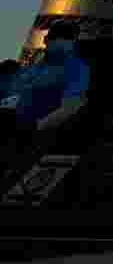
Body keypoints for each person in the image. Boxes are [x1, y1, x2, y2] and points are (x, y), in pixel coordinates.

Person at [0, 22, 93, 191]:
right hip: (10, 126)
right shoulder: (29, 70)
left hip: (36, 132)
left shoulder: (76, 69)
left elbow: (72, 106)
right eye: (56, 37)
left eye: (66, 38)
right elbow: (9, 97)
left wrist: (37, 126)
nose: (60, 41)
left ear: (73, 41)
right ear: (46, 39)